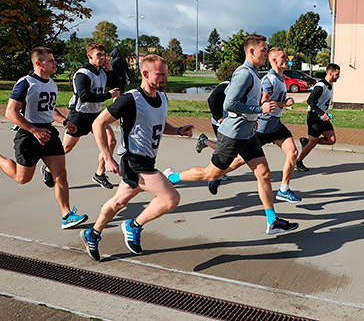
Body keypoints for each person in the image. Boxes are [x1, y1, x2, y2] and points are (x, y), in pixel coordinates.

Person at [163, 34, 299, 235]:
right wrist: (261, 109)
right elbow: (230, 104)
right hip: (233, 135)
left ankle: (272, 220)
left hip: (248, 135)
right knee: (211, 173)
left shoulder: (254, 73)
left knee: (264, 173)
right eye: (263, 50)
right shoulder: (244, 73)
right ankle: (172, 177)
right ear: (251, 51)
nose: (266, 54)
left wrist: (255, 117)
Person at [80, 55, 194, 262]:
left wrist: (177, 130)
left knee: (117, 202)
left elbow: (157, 125)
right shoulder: (130, 99)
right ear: (145, 73)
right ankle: (134, 225)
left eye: (166, 74)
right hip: (134, 161)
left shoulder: (162, 98)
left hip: (148, 161)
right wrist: (107, 158)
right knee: (171, 198)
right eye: (160, 74)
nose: (165, 78)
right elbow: (97, 124)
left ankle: (93, 234)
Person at [0, 47, 88, 229]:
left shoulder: (51, 83)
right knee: (22, 178)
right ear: (39, 63)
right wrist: (33, 130)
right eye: (51, 61)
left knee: (61, 174)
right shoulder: (25, 83)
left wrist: (65, 122)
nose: (56, 64)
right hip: (28, 135)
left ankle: (66, 215)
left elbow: (49, 109)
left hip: (48, 133)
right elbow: (10, 112)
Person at [42, 42, 121, 190]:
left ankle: (100, 173)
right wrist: (107, 96)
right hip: (80, 114)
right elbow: (84, 96)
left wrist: (110, 69)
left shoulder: (102, 72)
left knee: (111, 141)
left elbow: (116, 86)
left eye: (104, 55)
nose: (102, 58)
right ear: (89, 56)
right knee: (66, 147)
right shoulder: (82, 74)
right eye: (99, 55)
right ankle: (47, 169)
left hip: (96, 115)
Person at [295, 63, 341, 172]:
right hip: (314, 117)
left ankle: (306, 141)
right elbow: (310, 101)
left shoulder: (329, 85)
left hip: (323, 117)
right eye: (337, 74)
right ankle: (299, 161)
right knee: (313, 142)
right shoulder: (320, 86)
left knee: (331, 140)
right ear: (330, 73)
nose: (338, 76)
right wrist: (321, 113)